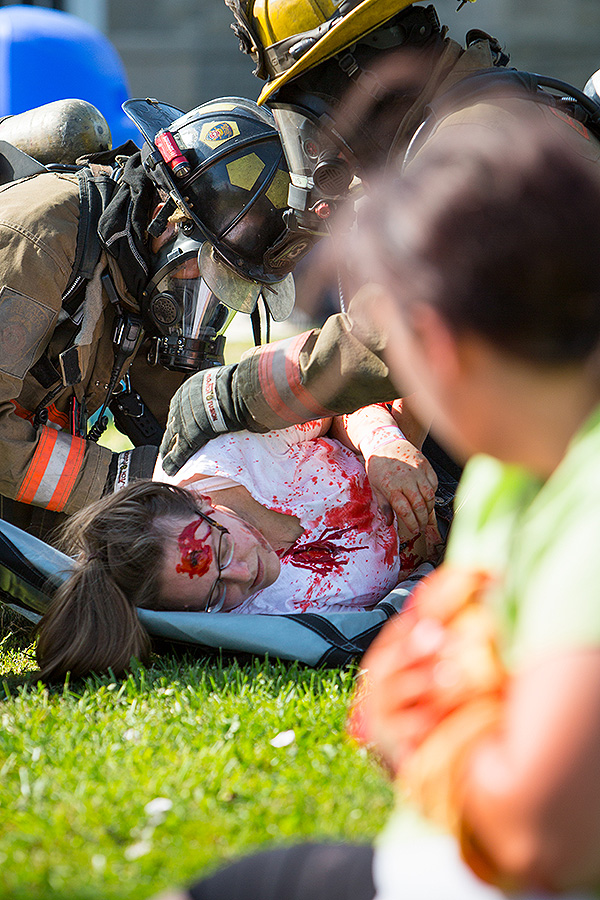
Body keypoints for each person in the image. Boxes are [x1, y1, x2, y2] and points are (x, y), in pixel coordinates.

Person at [147, 110, 600, 898]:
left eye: (393, 355)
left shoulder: (581, 511)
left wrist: (420, 721)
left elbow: (540, 835)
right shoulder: (508, 474)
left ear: (437, 348)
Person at [158, 0, 600, 496]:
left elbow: (391, 332)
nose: (325, 133)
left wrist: (233, 394)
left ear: (363, 72)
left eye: (312, 99)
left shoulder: (469, 151)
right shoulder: (483, 117)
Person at [0, 95, 295, 542]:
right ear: (165, 218)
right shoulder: (41, 243)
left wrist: (244, 467)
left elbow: (173, 410)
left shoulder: (137, 262)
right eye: (212, 272)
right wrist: (124, 478)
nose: (210, 298)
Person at [35, 399, 440, 681]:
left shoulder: (224, 455)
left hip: (429, 440)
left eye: (224, 549)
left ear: (200, 500)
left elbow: (342, 402)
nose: (245, 575)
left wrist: (386, 448)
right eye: (216, 593)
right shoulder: (253, 625)